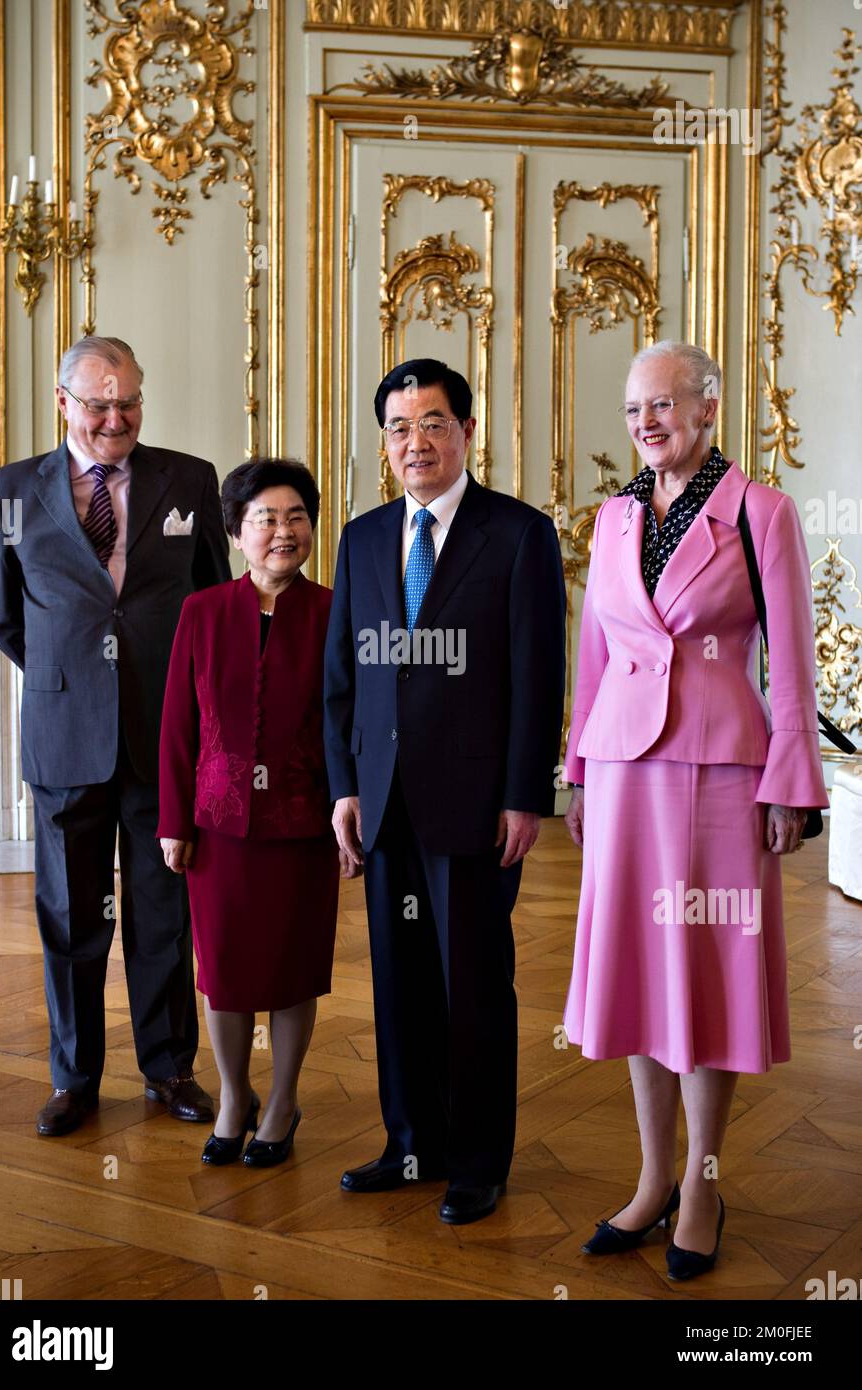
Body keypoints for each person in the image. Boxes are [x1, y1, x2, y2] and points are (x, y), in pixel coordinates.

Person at [562, 340, 828, 1279]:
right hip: (625, 770)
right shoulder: (614, 517)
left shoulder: (763, 514)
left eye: (663, 406)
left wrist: (792, 785)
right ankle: (651, 1180)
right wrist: (579, 772)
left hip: (723, 773)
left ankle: (705, 1184)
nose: (646, 425)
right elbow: (594, 657)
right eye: (635, 410)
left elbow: (791, 662)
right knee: (640, 974)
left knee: (709, 979)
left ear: (709, 409)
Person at [325, 358, 566, 1224]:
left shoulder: (518, 534)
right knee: (398, 984)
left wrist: (522, 795)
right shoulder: (359, 538)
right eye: (399, 426)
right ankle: (410, 1142)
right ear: (384, 443)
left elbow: (538, 679)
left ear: (466, 431)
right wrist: (344, 788)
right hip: (383, 800)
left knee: (473, 984)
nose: (415, 441)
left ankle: (476, 1161)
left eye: (433, 422)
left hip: (473, 804)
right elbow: (342, 681)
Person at [0, 335, 230, 1136]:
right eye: (98, 405)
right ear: (64, 403)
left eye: (128, 403)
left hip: (164, 734)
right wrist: (70, 677)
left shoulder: (188, 478)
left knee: (162, 910)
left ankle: (169, 1071)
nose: (115, 419)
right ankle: (75, 1078)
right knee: (71, 912)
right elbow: (3, 614)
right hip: (64, 734)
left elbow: (213, 598)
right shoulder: (11, 489)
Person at [158, 460, 353, 1167]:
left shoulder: (336, 611)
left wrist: (346, 811)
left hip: (304, 826)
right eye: (265, 519)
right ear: (237, 534)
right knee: (227, 972)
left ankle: (283, 1100)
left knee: (296, 967)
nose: (283, 531)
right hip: (218, 826)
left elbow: (349, 724)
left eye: (296, 516)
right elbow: (178, 724)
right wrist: (172, 820)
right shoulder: (201, 611)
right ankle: (235, 1095)